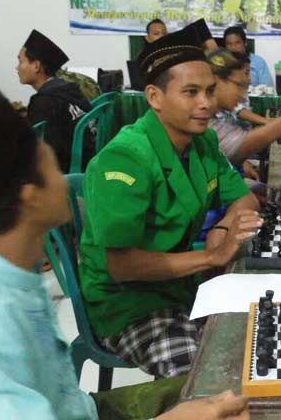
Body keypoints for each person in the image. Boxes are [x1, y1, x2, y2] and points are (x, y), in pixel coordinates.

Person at [0, 89, 250, 420]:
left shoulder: (15, 275)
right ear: (30, 196)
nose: (69, 177)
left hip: (81, 418)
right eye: (51, 164)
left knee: (233, 392)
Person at [79, 27, 261, 379]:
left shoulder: (203, 142)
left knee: (263, 341)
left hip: (180, 287)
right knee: (210, 384)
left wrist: (221, 229)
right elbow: (122, 266)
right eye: (190, 92)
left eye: (210, 91)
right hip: (128, 304)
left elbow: (246, 199)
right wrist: (211, 256)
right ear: (154, 96)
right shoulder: (125, 159)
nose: (206, 103)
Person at [207, 48, 281, 169]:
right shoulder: (204, 119)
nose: (241, 94)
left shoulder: (215, 114)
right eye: (239, 85)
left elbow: (231, 151)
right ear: (217, 80)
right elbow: (243, 144)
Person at [17, 29, 93, 172]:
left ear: (36, 66)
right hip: (88, 164)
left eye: (20, 61)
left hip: (64, 173)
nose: (17, 68)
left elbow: (44, 153)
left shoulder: (44, 101)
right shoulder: (69, 89)